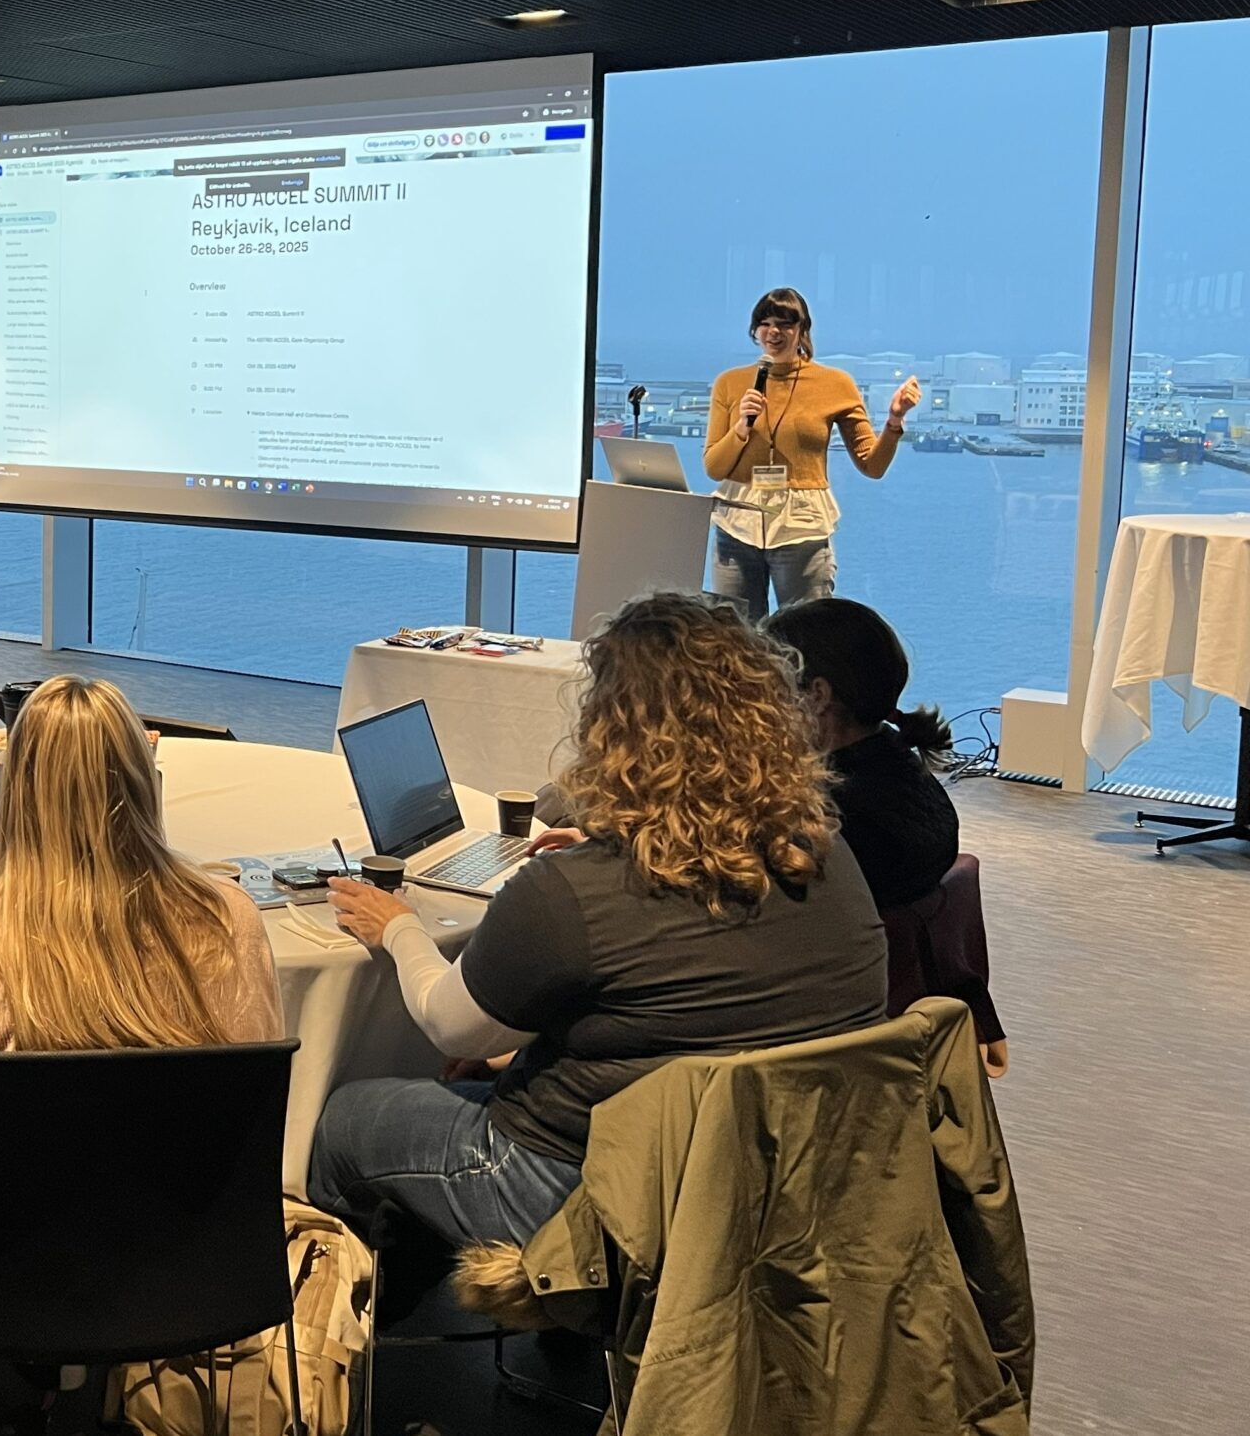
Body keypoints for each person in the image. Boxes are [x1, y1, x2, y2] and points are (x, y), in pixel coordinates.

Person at [309, 592, 888, 1259]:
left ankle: (360, 1337)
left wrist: (397, 927)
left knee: (345, 1117)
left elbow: (451, 1023)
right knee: (482, 1070)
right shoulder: (824, 854)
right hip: (783, 1189)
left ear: (613, 729)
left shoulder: (573, 894)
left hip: (599, 1198)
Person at [0, 675, 283, 1175]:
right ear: (145, 780)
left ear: (14, 796)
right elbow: (255, 1107)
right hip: (196, 1232)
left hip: (14, 1245)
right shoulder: (228, 920)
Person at [764, 597, 1004, 1077]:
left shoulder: (832, 817)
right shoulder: (901, 770)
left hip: (821, 1032)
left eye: (768, 686)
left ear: (816, 695)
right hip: (898, 1022)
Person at [700, 288, 924, 617]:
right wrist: (741, 428)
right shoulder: (730, 383)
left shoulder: (834, 384)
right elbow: (714, 467)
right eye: (764, 324)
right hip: (737, 524)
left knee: (809, 634)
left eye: (784, 324)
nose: (773, 332)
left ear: (802, 330)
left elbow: (872, 465)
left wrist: (894, 420)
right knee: (735, 637)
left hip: (802, 527)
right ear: (754, 330)